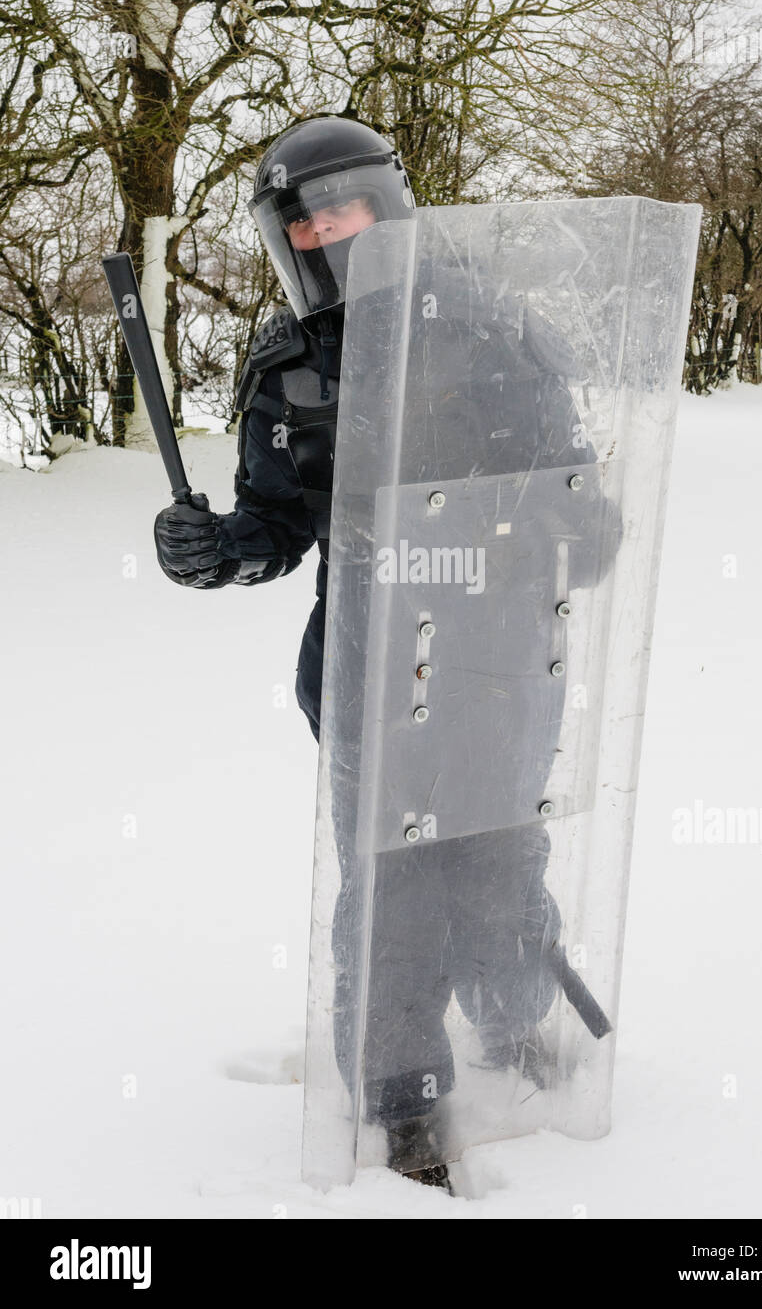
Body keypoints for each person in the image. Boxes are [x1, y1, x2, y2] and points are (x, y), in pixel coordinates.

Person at [154, 116, 618, 1189]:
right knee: (391, 876)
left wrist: (568, 532)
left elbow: (571, 502)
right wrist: (217, 549)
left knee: (497, 858)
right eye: (306, 219)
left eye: (345, 207)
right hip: (366, 662)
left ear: (388, 204)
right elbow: (274, 523)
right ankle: (398, 1092)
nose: (328, 231)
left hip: (498, 657)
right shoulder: (291, 367)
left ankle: (514, 1029)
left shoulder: (495, 329)